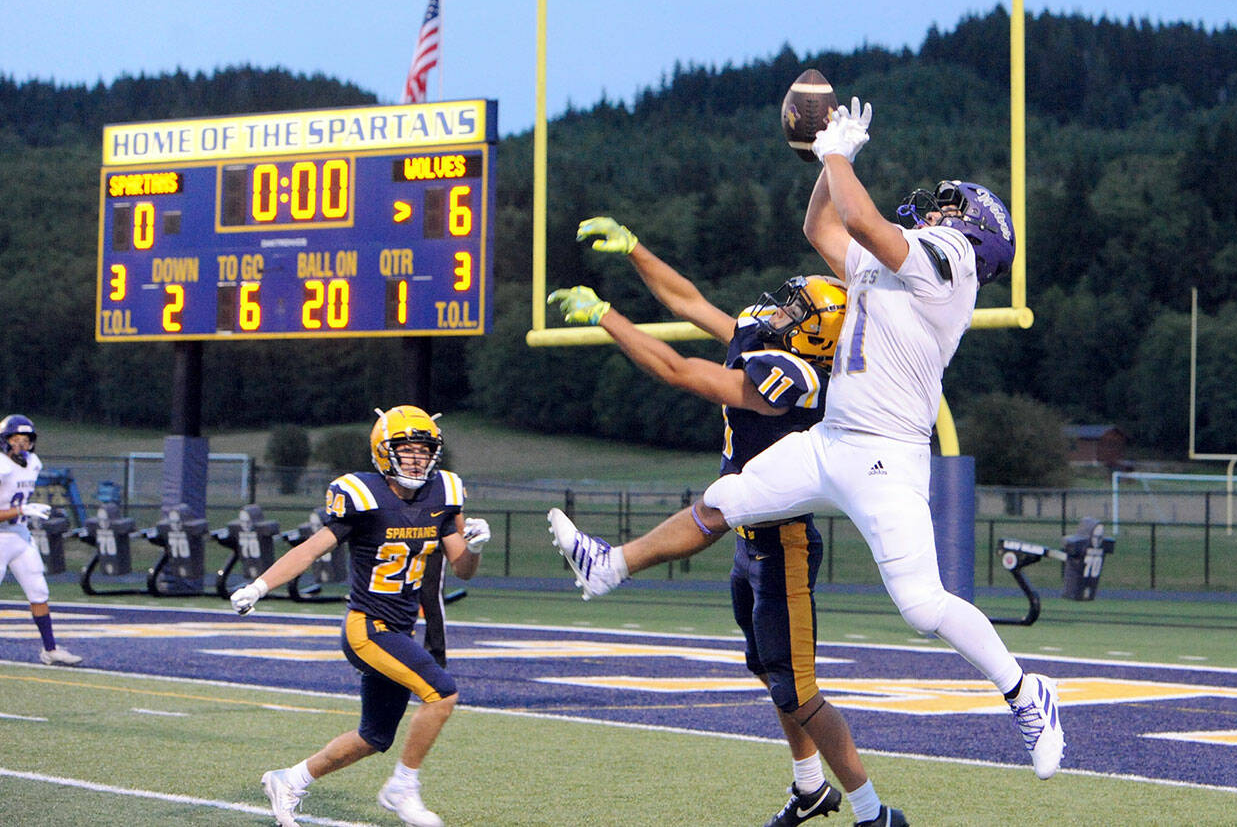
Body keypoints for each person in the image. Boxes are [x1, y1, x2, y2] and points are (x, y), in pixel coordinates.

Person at [549, 97, 1065, 784]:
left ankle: (1025, 692)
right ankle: (608, 566)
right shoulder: (892, 265)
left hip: (886, 457)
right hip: (833, 440)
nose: (934, 212)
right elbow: (821, 224)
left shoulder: (952, 264)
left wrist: (838, 152)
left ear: (973, 228)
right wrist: (829, 156)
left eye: (948, 207)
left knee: (921, 605)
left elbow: (864, 220)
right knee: (725, 499)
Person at [548, 220, 906, 827]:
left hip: (783, 542)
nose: (781, 310)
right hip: (750, 537)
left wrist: (607, 318)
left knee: (800, 689)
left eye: (797, 310)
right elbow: (690, 302)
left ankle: (874, 814)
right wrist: (636, 248)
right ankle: (810, 787)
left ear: (816, 339)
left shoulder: (799, 379)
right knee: (769, 672)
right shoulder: (776, 340)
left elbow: (679, 371)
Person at [230, 406, 488, 827]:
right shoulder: (363, 496)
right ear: (384, 452)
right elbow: (310, 550)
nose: (417, 459)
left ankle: (289, 779)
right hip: (367, 628)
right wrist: (259, 586)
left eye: (424, 451)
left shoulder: (443, 493)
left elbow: (462, 569)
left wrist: (474, 547)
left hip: (400, 629)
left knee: (374, 737)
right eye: (407, 450)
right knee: (442, 693)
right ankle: (403, 787)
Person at [0, 414, 81, 666]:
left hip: (20, 536)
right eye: (15, 439)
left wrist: (23, 512)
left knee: (38, 591)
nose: (21, 444)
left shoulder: (34, 463)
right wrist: (21, 510)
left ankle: (50, 649)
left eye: (26, 439)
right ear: (4, 440)